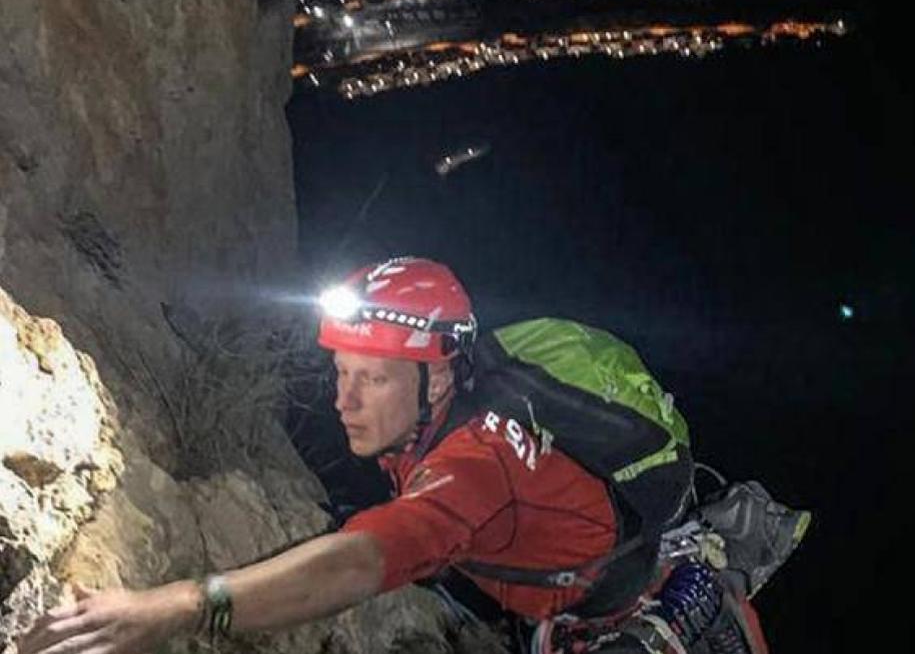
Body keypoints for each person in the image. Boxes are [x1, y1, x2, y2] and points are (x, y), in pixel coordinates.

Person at [18, 257, 767, 654]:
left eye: (371, 379)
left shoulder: (476, 461)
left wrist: (175, 607)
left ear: (436, 373)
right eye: (341, 373)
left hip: (648, 617)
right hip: (596, 598)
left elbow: (358, 564)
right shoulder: (444, 410)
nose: (345, 399)